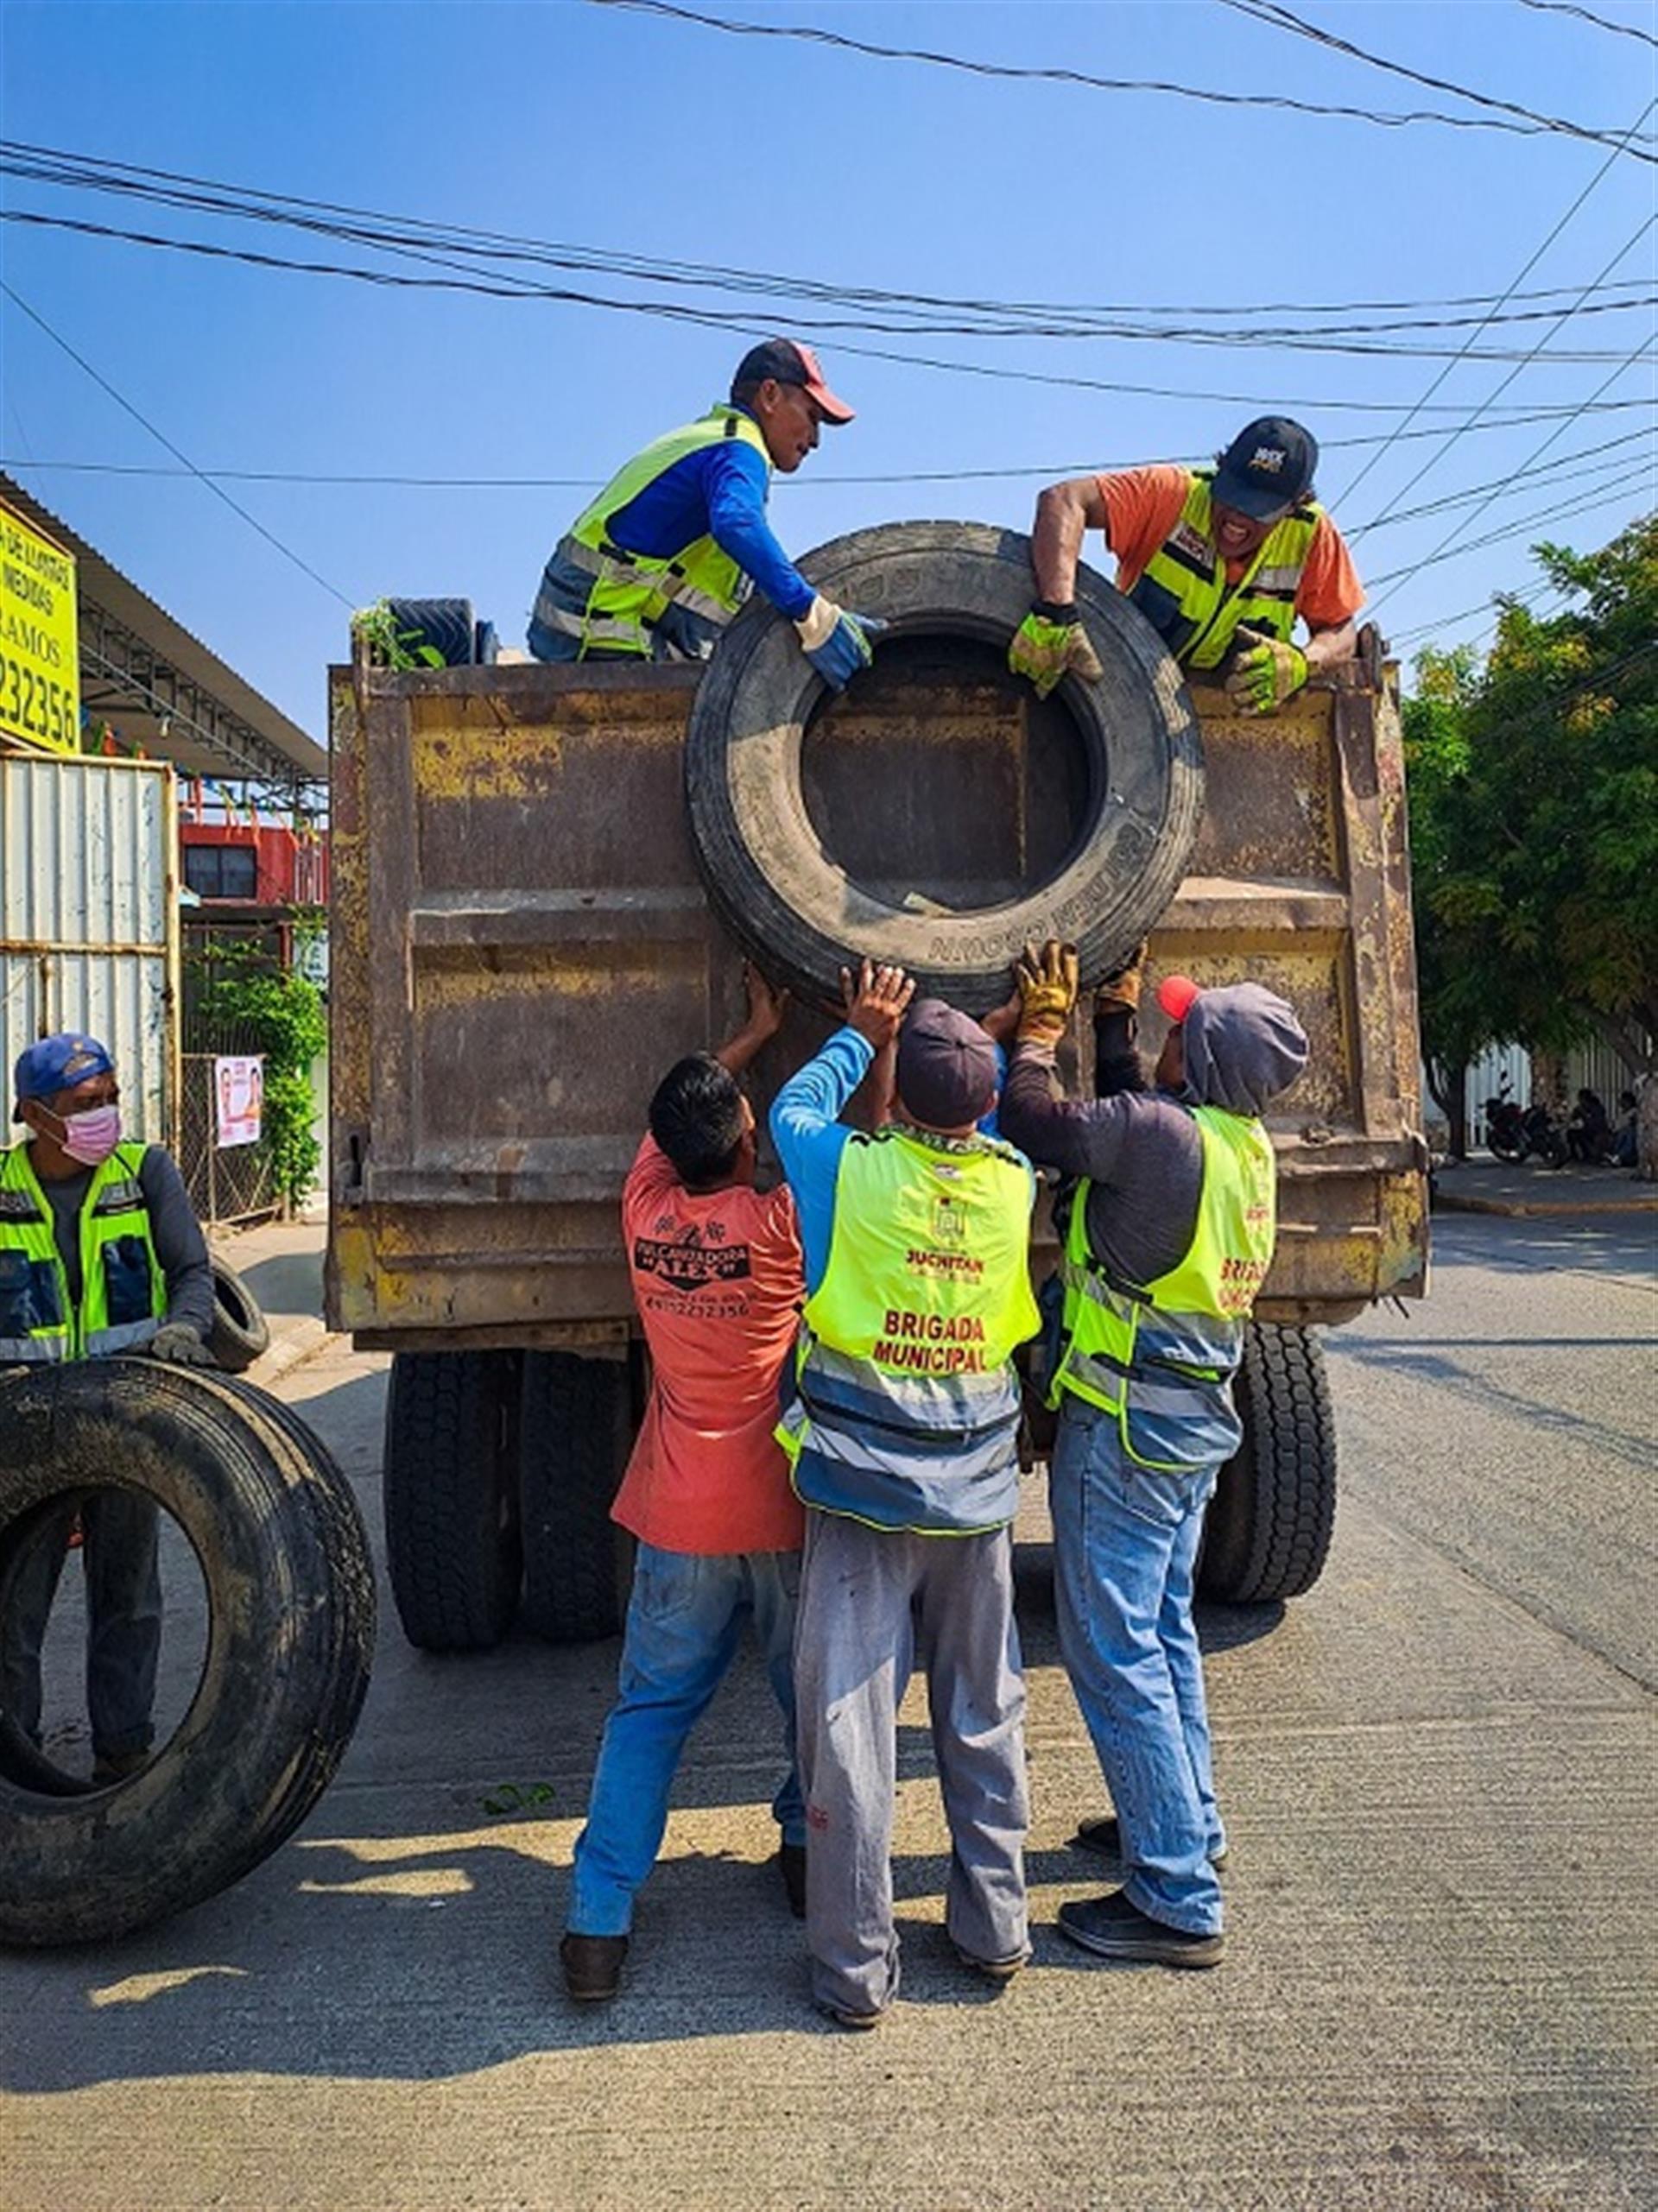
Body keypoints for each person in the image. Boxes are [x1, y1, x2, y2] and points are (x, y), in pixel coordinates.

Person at [999, 944, 1307, 1969]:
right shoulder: (1234, 1145)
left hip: (1126, 1433)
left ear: (1201, 1060)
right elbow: (1139, 1121)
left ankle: (1176, 1893)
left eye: (1179, 1031)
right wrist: (1113, 1023)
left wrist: (1041, 1034)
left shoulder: (1160, 1137)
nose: (1166, 1040)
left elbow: (1036, 1123)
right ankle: (1185, 1829)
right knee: (1162, 1631)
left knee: (1112, 1645)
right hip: (1188, 1429)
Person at [770, 963, 1041, 2029]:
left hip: (861, 1494)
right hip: (975, 1496)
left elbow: (793, 1107)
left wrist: (859, 1034)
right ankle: (993, 1928)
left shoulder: (844, 1168)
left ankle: (853, 1970)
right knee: (984, 1711)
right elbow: (985, 1107)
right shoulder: (1013, 1177)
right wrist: (1010, 1037)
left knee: (851, 1731)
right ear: (984, 1102)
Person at [560, 966, 808, 2005]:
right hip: (785, 1511)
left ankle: (596, 1927)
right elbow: (853, 1151)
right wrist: (852, 1041)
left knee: (651, 1711)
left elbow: (681, 1125)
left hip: (677, 1513)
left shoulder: (644, 1212)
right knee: (812, 1702)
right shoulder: (783, 1230)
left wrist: (743, 1040)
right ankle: (807, 1857)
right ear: (749, 1144)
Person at [0, 1032, 216, 1785]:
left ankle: (121, 1753)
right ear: (34, 1114)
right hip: (24, 1435)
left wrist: (185, 1327)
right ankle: (16, 1762)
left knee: (127, 1597)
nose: (106, 1116)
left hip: (125, 1418)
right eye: (86, 1106)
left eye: (112, 1099)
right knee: (14, 1610)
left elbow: (192, 1272)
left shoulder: (145, 1172)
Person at [528, 338, 881, 689]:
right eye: (812, 416)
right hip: (599, 631)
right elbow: (737, 524)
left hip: (576, 624)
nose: (816, 439)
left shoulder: (712, 440)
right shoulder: (739, 450)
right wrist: (811, 613)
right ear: (770, 395)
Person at [1008, 416, 1363, 716]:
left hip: (1233, 716)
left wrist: (1304, 661)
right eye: (1232, 496)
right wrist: (1055, 611)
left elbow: (1342, 630)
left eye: (1257, 510)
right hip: (1128, 700)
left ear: (1292, 507)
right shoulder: (1174, 496)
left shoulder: (1311, 536)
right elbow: (1064, 500)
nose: (1236, 518)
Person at [1566, 1087, 1611, 1165]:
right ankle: (1577, 1155)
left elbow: (1598, 1122)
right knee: (1572, 1134)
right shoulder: (1579, 1109)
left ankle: (1592, 1155)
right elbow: (1573, 1120)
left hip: (1597, 1131)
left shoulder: (1597, 1108)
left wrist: (1586, 1116)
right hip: (1585, 1130)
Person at [1612, 1090, 1639, 1170]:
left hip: (1629, 1135)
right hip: (1618, 1134)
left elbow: (1633, 1124)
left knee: (1628, 1134)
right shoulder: (1622, 1113)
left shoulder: (1634, 1112)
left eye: (1623, 1101)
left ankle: (1620, 1156)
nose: (1621, 1103)